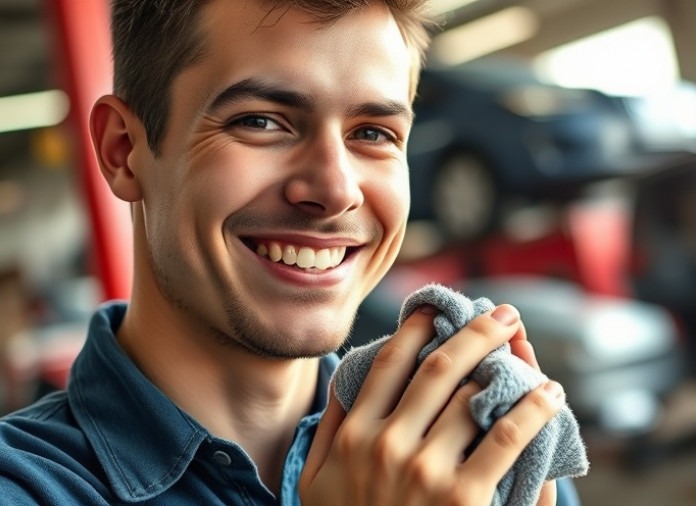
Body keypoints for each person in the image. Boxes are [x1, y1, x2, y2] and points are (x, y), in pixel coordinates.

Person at [0, 0, 582, 504]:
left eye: (373, 133)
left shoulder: (479, 444)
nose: (335, 190)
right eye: (261, 121)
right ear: (124, 150)